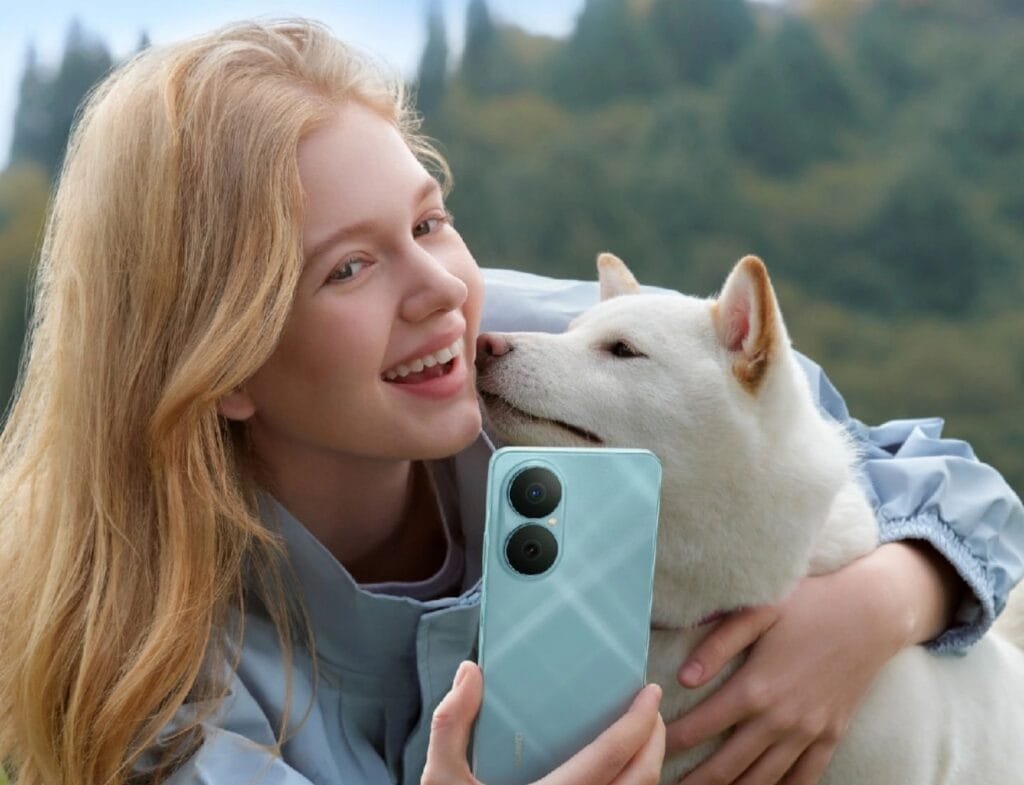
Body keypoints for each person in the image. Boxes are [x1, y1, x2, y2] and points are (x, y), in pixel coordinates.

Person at [0, 18, 1020, 785]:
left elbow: (930, 471)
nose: (442, 287)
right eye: (349, 268)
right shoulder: (167, 699)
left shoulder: (529, 344)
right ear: (218, 364)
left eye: (430, 220)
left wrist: (877, 604)